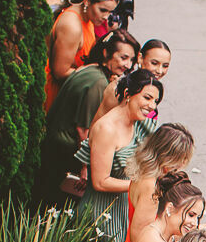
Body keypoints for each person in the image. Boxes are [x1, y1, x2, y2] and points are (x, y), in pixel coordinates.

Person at [72, 67, 163, 242]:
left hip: (125, 205)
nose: (152, 105)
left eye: (156, 100)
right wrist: (140, 186)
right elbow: (100, 181)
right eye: (147, 97)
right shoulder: (106, 128)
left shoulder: (138, 120)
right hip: (102, 212)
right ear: (128, 94)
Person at [37, 28, 138, 203]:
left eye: (131, 59)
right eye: (123, 58)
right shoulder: (98, 83)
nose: (128, 65)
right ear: (107, 53)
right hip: (63, 153)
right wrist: (86, 167)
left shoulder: (91, 69)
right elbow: (83, 129)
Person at [115, 123, 196, 242]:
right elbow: (140, 236)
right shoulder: (151, 187)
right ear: (168, 157)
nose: (183, 165)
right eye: (181, 159)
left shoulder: (145, 173)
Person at [44, 0, 119, 110]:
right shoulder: (72, 26)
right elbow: (60, 72)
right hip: (55, 95)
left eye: (110, 12)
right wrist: (99, 77)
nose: (106, 17)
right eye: (103, 10)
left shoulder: (87, 18)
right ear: (87, 0)